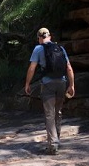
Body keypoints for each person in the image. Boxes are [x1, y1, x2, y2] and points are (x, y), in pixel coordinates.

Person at [24, 27, 75, 155]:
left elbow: (32, 68)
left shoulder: (38, 49)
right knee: (58, 112)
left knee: (49, 113)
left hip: (47, 84)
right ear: (50, 36)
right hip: (62, 83)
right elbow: (69, 67)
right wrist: (72, 85)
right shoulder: (60, 48)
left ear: (40, 38)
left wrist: (27, 83)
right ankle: (56, 140)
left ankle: (53, 144)